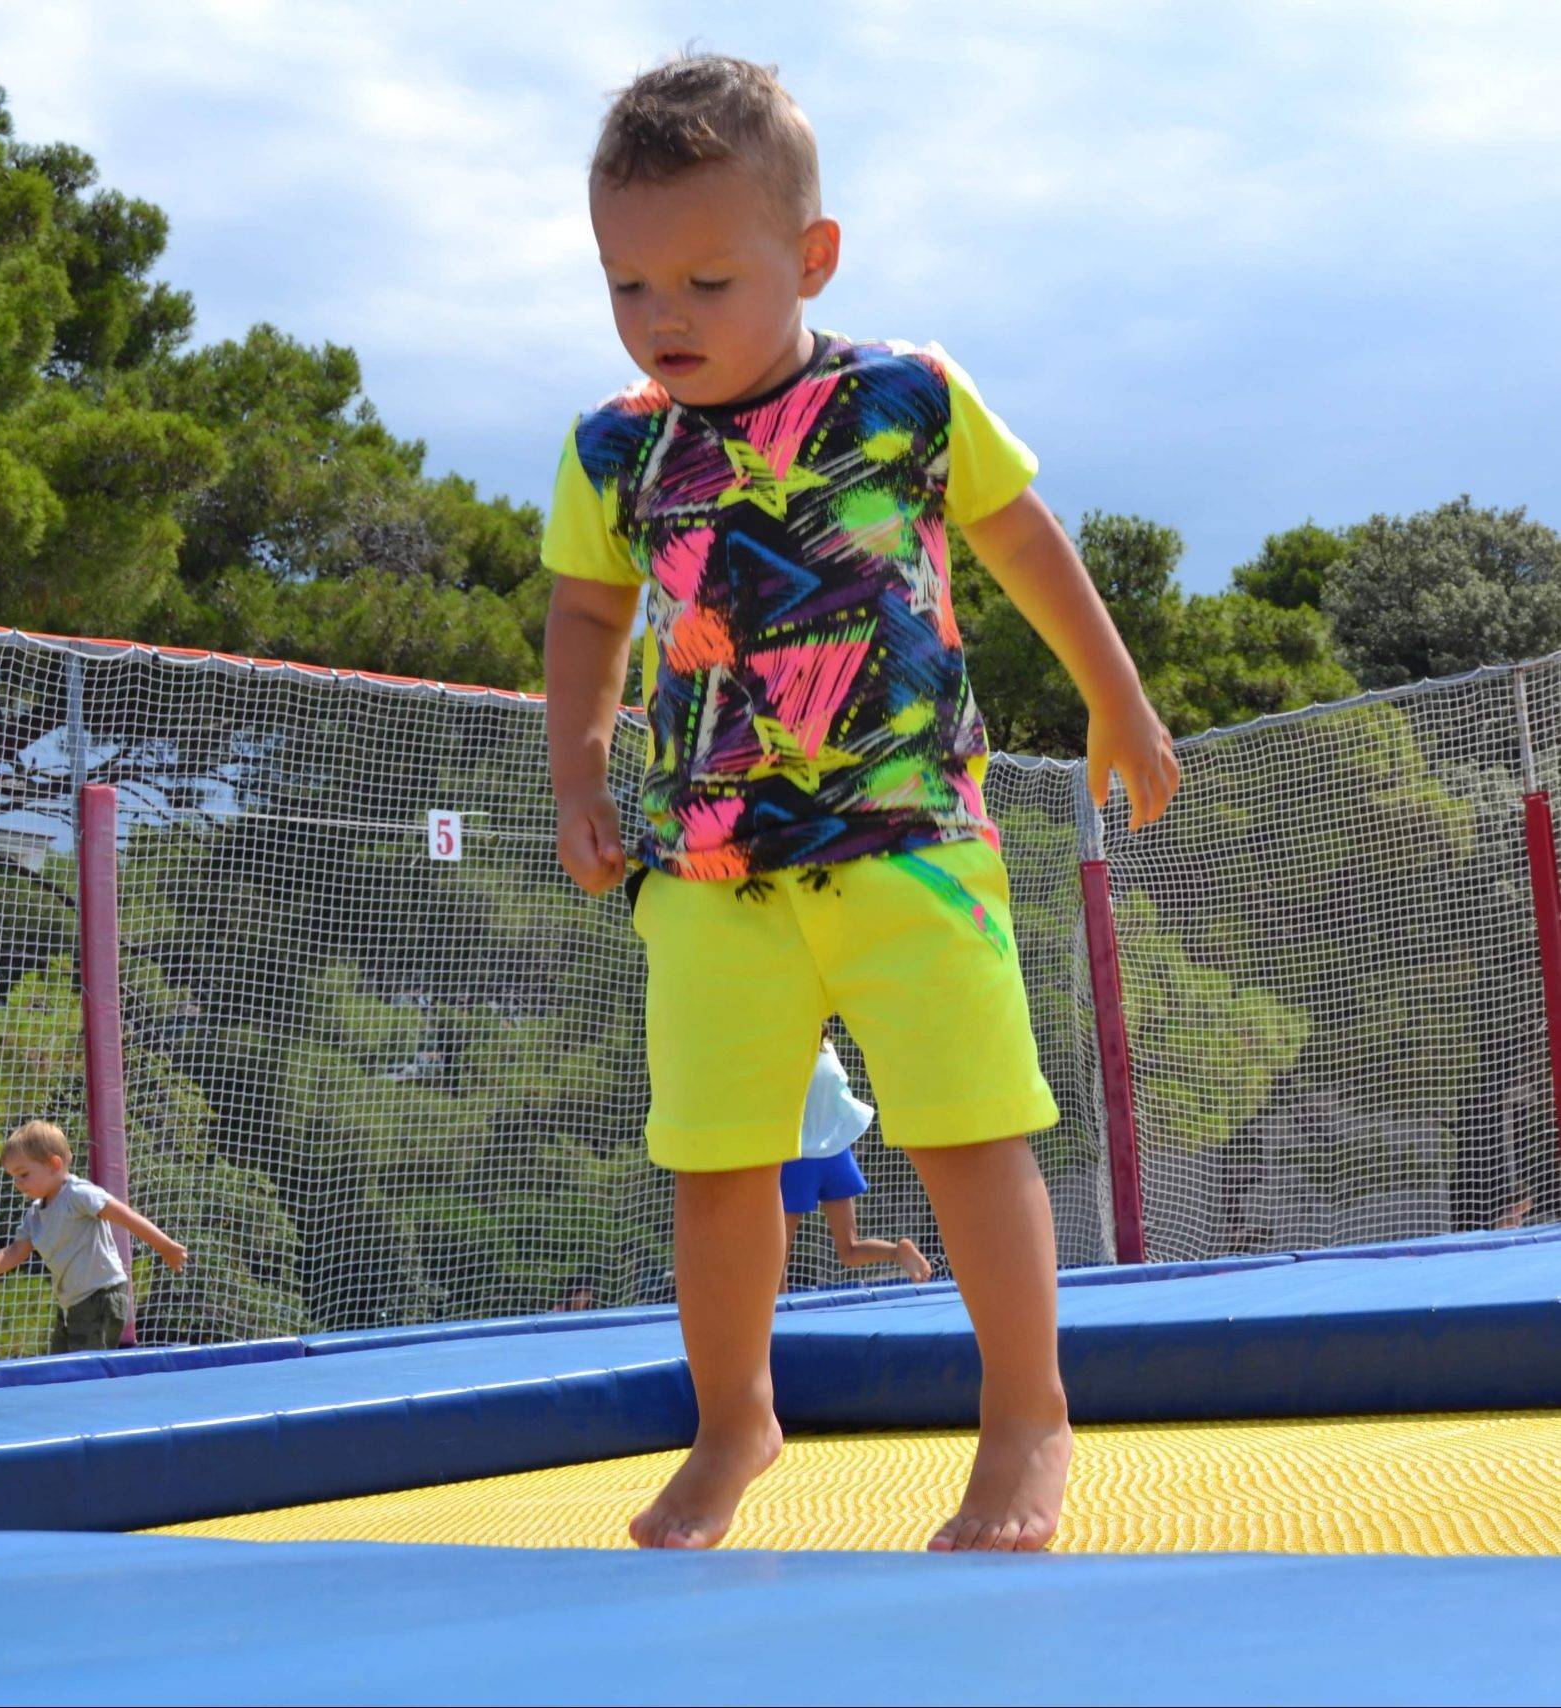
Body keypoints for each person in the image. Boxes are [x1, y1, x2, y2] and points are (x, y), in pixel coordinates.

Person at [541, 54, 1179, 1553]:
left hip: (911, 848)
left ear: (811, 256)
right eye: (627, 284)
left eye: (704, 278)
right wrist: (578, 760)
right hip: (707, 869)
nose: (663, 317)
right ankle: (733, 1422)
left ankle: (1024, 1418)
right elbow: (587, 619)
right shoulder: (616, 448)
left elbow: (1025, 543)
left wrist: (1116, 696)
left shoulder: (902, 397)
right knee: (712, 1163)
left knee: (967, 1138)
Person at [0, 1120, 188, 1353]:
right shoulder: (34, 1215)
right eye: (13, 1176)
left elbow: (125, 1216)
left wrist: (166, 1246)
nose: (18, 1184)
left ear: (53, 1164)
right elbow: (14, 1252)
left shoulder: (77, 1194)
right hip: (70, 1303)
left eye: (23, 1174)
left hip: (100, 1296)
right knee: (61, 1367)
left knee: (86, 1368)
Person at [782, 1031, 931, 1288]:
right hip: (837, 1155)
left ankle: (779, 1322)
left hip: (800, 1158)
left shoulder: (788, 1054)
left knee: (777, 1258)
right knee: (849, 1248)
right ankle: (897, 1252)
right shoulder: (829, 1052)